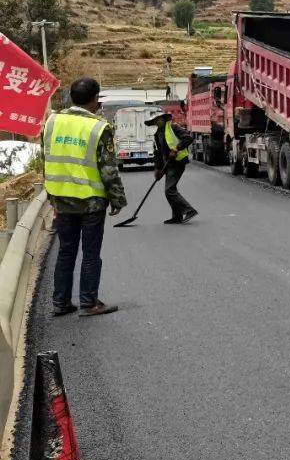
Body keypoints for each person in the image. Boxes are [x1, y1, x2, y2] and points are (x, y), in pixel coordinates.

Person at [42, 77, 126, 317]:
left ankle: (61, 302)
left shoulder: (52, 121)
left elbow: (47, 160)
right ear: (95, 99)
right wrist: (117, 199)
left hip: (61, 198)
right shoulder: (99, 127)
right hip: (91, 201)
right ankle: (89, 302)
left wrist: (51, 197)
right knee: (90, 253)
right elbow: (108, 170)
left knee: (66, 250)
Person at [145, 110, 197, 224]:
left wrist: (176, 148)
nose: (157, 122)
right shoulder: (157, 134)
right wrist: (157, 169)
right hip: (168, 164)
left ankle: (189, 210)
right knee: (171, 190)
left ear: (164, 119)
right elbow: (158, 153)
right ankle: (177, 216)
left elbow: (188, 138)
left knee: (169, 190)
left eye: (159, 119)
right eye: (155, 121)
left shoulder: (173, 128)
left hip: (178, 162)